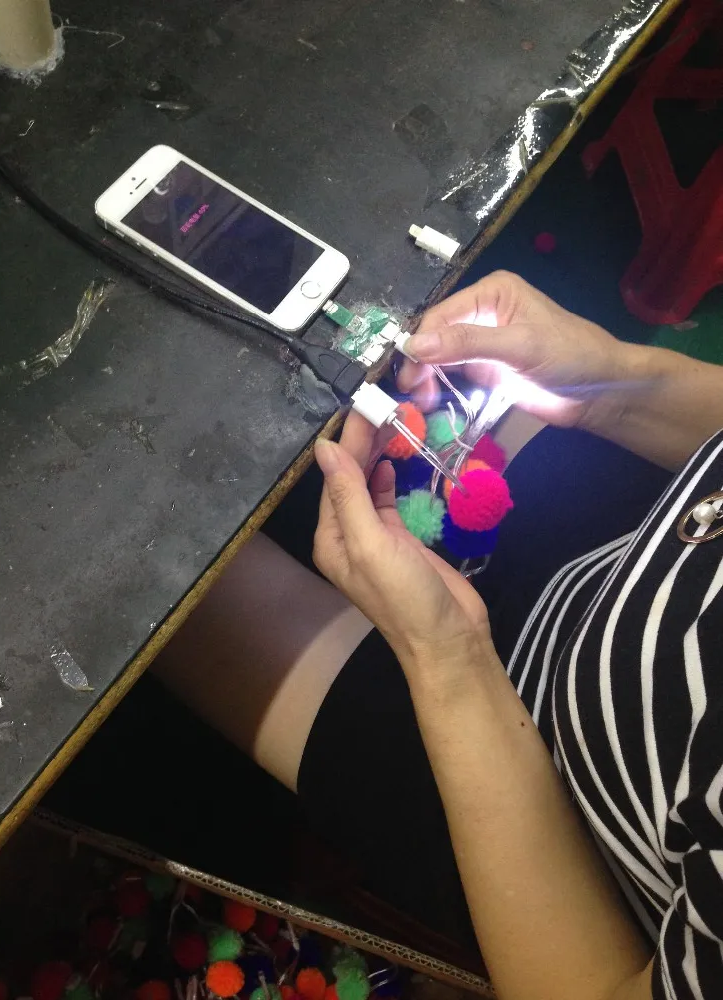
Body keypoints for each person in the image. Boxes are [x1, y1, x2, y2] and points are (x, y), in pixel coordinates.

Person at [153, 272, 723, 1000]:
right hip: (650, 532)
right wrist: (611, 385)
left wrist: (447, 656)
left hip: (538, 815)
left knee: (162, 559)